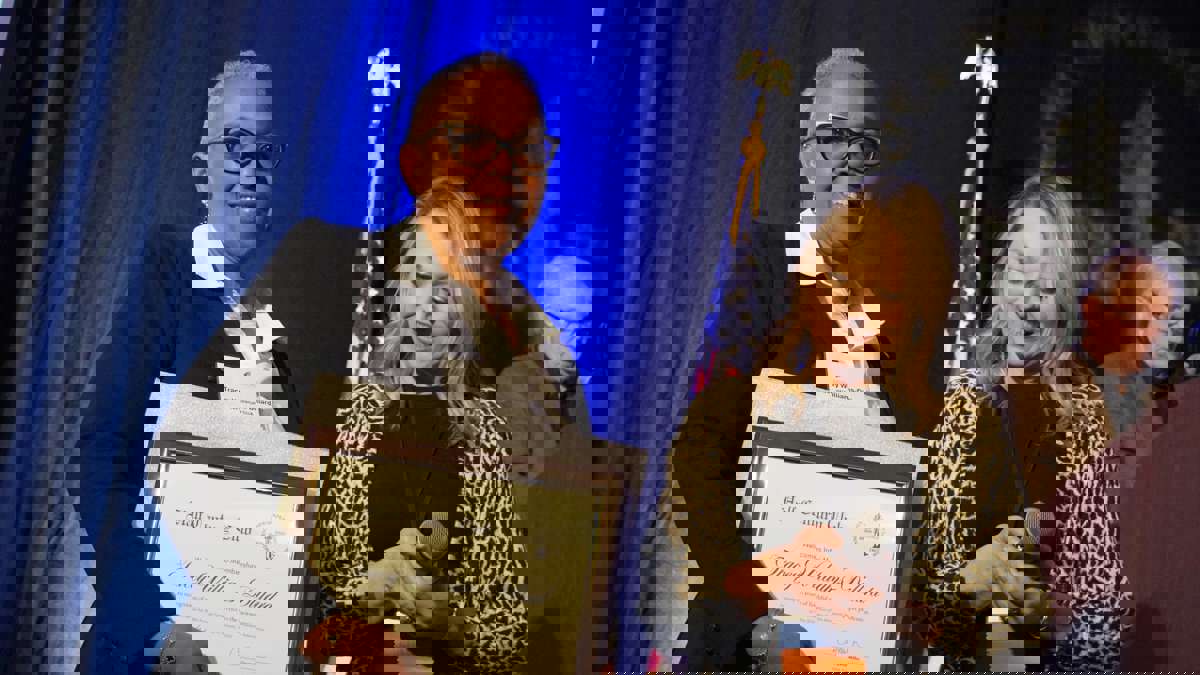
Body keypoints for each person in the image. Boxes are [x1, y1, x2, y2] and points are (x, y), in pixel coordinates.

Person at [302, 52, 620, 674]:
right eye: (474, 142)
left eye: (525, 152)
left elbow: (560, 602)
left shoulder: (548, 363)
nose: (503, 170)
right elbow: (219, 482)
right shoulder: (323, 283)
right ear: (413, 162)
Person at [670, 48, 953, 670]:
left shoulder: (911, 271)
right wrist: (742, 584)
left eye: (863, 142)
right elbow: (702, 446)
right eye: (830, 137)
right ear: (803, 151)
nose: (845, 158)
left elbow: (922, 448)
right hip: (748, 624)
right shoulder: (768, 263)